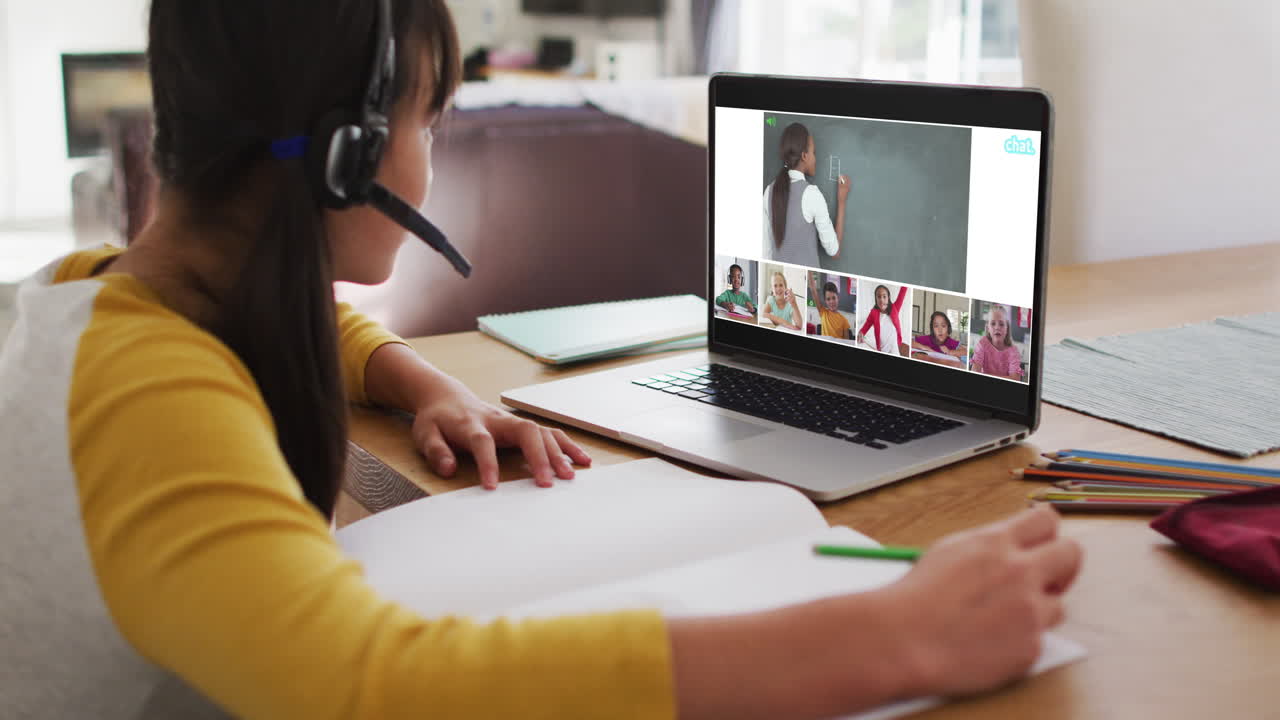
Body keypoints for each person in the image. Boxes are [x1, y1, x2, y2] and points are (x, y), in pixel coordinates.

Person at [0, 2, 1081, 718]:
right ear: (347, 157)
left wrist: (420, 380)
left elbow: (277, 320)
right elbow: (365, 688)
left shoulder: (102, 297)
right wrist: (894, 638)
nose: (432, 157)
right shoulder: (151, 397)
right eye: (434, 120)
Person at [763, 122, 851, 266]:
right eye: (813, 153)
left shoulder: (768, 192)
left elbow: (766, 252)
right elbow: (834, 251)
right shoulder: (811, 195)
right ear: (804, 156)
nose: (815, 158)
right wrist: (841, 201)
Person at [972, 304, 1026, 380]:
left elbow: (1015, 379)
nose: (997, 327)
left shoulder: (1013, 351)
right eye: (993, 323)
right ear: (988, 328)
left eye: (1001, 324)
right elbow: (974, 371)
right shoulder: (982, 344)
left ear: (1007, 328)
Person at [859, 283, 909, 355]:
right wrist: (861, 332)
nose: (881, 300)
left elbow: (902, 293)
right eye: (879, 297)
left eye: (884, 297)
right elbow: (867, 324)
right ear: (876, 299)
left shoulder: (894, 308)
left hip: (893, 347)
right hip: (882, 349)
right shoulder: (873, 313)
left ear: (888, 298)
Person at [809, 272, 853, 340]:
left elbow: (846, 342)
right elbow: (813, 290)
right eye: (828, 299)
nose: (831, 301)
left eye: (833, 298)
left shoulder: (844, 321)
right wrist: (809, 272)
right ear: (825, 301)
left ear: (838, 298)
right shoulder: (822, 312)